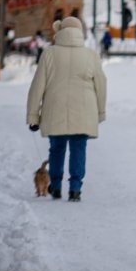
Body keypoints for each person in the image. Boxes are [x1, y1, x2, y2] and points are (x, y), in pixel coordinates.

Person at [27, 16, 107, 202]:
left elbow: (37, 85)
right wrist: (100, 112)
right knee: (79, 148)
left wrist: (33, 115)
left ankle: (55, 186)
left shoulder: (49, 53)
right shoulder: (91, 55)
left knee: (57, 149)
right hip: (84, 110)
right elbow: (101, 84)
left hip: (55, 110)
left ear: (60, 32)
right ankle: (75, 189)